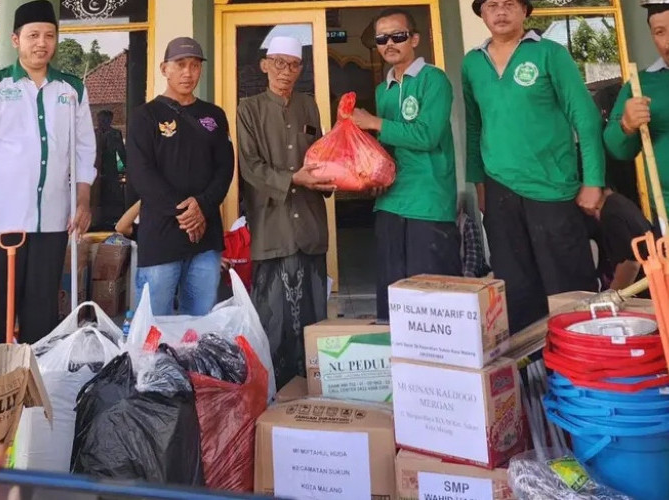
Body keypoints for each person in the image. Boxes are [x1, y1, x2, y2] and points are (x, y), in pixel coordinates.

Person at [463, 0, 605, 334]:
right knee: (515, 288)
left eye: (509, 3)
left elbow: (584, 118)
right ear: (482, 14)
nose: (500, 11)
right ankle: (531, 376)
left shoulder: (550, 54)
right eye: (492, 5)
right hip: (499, 189)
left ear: (525, 11)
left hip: (552, 185)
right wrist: (478, 183)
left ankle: (577, 370)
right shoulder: (472, 63)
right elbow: (473, 126)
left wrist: (593, 180)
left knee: (568, 286)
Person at [0, 0, 96, 344]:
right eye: (33, 35)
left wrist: (82, 199)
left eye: (50, 35)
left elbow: (84, 150)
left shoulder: (72, 90)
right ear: (16, 40)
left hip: (52, 223)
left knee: (42, 320)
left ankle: (34, 393)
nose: (42, 43)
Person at [348, 8, 462, 322]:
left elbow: (427, 135)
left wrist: (374, 122)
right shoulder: (382, 89)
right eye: (382, 38)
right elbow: (384, 147)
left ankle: (437, 365)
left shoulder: (433, 80)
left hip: (427, 200)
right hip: (390, 201)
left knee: (431, 296)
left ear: (414, 39)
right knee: (392, 292)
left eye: (397, 36)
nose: (389, 43)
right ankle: (399, 364)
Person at [237, 36, 334, 389]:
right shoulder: (248, 109)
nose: (285, 71)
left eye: (292, 65)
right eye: (278, 62)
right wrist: (293, 178)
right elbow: (249, 166)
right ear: (264, 65)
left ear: (300, 70)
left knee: (313, 317)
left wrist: (328, 180)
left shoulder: (309, 106)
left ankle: (314, 390)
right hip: (272, 226)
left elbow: (321, 157)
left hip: (309, 225)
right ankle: (277, 397)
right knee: (274, 319)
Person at [127, 37, 234, 316]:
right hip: (161, 237)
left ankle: (194, 364)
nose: (188, 72)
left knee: (200, 323)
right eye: (180, 64)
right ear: (164, 69)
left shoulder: (214, 116)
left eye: (195, 65)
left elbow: (225, 168)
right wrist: (186, 212)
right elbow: (141, 173)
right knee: (153, 324)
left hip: (205, 237)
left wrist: (203, 206)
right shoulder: (145, 116)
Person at [604, 0, 669, 228]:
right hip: (666, 211)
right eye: (660, 32)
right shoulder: (640, 85)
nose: (668, 41)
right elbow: (617, 150)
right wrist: (626, 125)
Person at [587, 188, 655, 293]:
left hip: (644, 295)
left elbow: (630, 264)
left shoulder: (611, 216)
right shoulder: (620, 203)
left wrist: (611, 297)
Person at [95, 109, 126, 228]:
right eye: (101, 119)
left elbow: (121, 151)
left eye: (105, 120)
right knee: (98, 196)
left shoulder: (115, 133)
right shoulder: (93, 133)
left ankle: (113, 219)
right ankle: (98, 219)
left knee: (112, 195)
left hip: (110, 169)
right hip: (96, 171)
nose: (102, 122)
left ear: (110, 120)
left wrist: (128, 167)